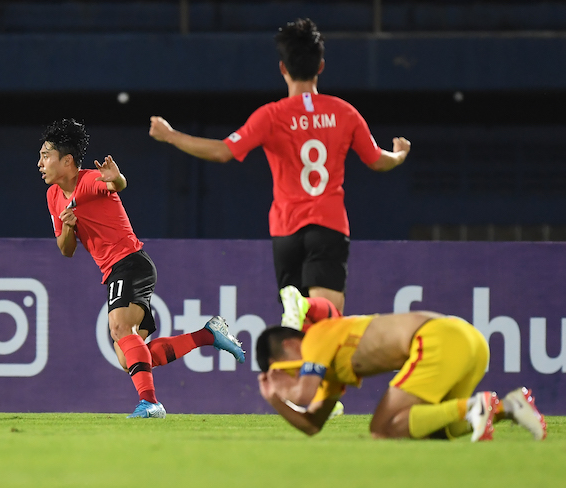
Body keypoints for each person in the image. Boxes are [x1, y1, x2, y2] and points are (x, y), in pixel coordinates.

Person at [149, 18, 410, 324]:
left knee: (297, 328)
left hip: (285, 231)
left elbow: (222, 152)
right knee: (327, 321)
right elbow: (378, 160)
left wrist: (170, 135)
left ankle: (298, 312)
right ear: (321, 67)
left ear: (283, 69)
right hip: (328, 225)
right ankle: (308, 308)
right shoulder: (344, 112)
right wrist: (400, 155)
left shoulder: (271, 115)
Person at [38, 118, 245, 418]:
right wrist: (69, 228)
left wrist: (117, 177)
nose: (40, 163)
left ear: (66, 160)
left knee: (120, 327)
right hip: (115, 271)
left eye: (46, 155)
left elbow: (115, 183)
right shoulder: (53, 196)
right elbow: (65, 249)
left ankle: (151, 403)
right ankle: (208, 335)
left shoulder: (90, 180)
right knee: (129, 358)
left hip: (129, 261)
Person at [255, 311, 548, 441]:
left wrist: (282, 390)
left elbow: (303, 394)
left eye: (286, 369)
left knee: (382, 428)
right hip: (468, 340)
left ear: (290, 345)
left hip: (439, 338)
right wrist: (276, 402)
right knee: (433, 428)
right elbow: (312, 425)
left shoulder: (316, 337)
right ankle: (507, 407)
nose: (294, 375)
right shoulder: (330, 369)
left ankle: (476, 405)